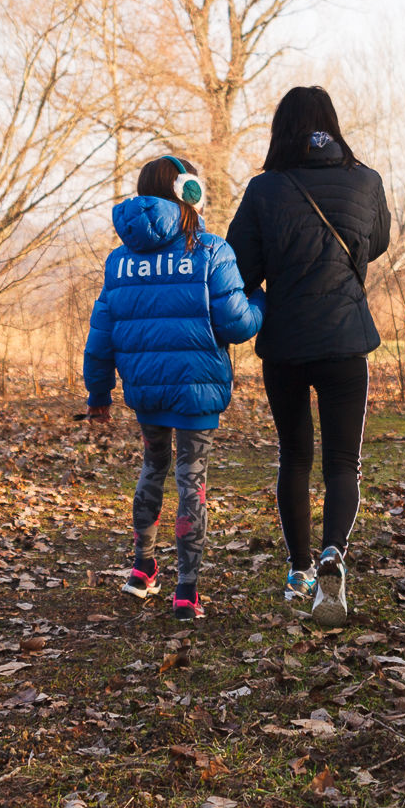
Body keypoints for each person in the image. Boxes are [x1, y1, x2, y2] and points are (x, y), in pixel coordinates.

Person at [226, 86, 391, 626]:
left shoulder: (264, 190)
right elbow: (380, 241)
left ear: (283, 128)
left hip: (287, 345)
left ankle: (299, 571)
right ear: (331, 124)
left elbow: (241, 271)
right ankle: (332, 556)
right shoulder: (366, 180)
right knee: (344, 462)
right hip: (346, 341)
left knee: (295, 458)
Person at [84, 155, 262, 622]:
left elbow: (101, 331)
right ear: (190, 193)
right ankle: (187, 592)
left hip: (146, 392)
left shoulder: (119, 261)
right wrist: (261, 299)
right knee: (191, 478)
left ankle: (142, 570)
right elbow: (238, 324)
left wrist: (98, 394)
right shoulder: (209, 250)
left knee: (153, 465)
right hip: (197, 392)